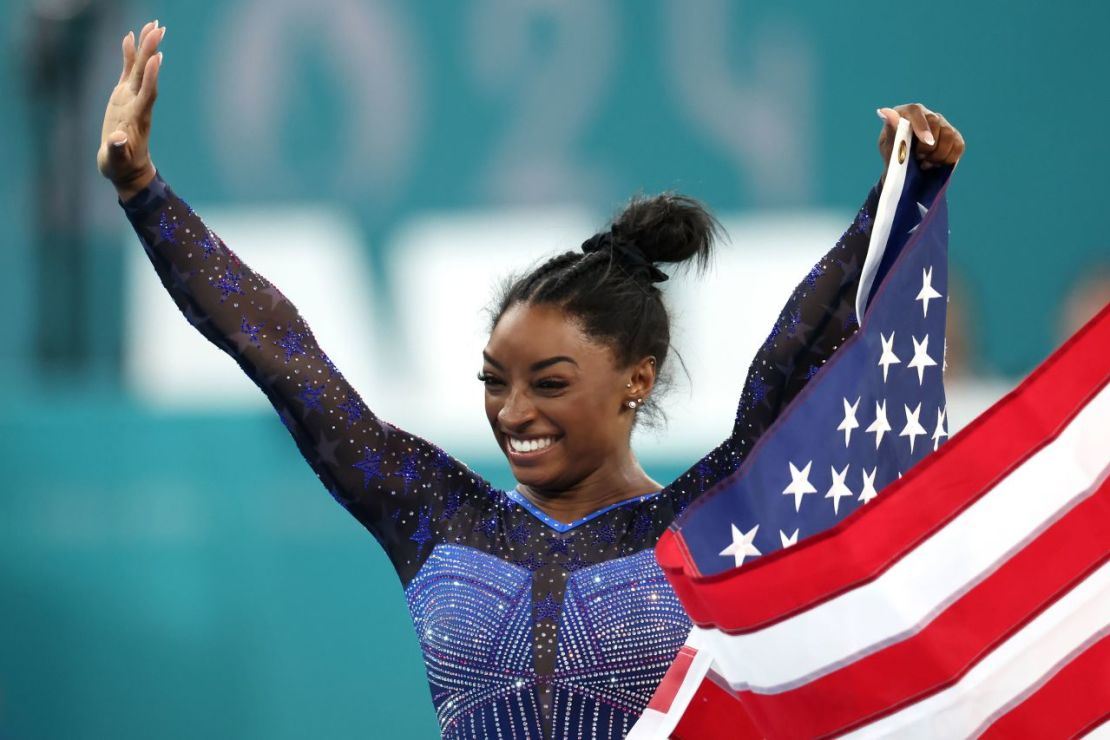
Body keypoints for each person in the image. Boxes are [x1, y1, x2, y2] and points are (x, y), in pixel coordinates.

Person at [97, 20, 965, 740]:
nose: (514, 413)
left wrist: (894, 203)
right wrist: (144, 192)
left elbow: (794, 364)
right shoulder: (434, 513)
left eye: (549, 383)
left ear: (637, 379)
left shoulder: (703, 520)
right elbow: (282, 355)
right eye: (495, 380)